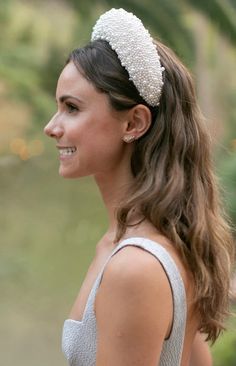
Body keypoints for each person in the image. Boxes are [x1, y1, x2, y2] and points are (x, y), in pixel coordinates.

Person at [44, 8, 234, 366]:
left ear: (133, 122)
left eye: (71, 108)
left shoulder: (135, 267)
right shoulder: (159, 242)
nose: (52, 127)